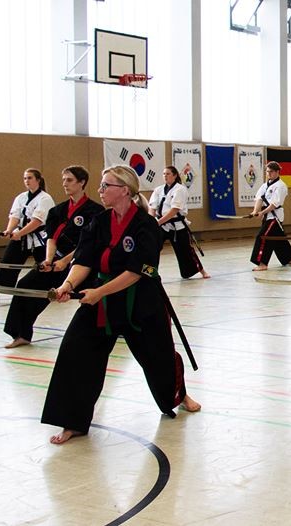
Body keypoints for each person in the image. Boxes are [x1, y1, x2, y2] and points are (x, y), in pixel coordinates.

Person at [41, 165, 200, 445]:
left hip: (141, 299)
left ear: (125, 190)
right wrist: (67, 285)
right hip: (100, 298)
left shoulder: (146, 225)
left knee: (159, 359)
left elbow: (137, 271)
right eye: (101, 185)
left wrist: (99, 292)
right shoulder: (99, 222)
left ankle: (178, 395)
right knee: (75, 351)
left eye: (106, 186)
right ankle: (73, 421)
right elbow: (84, 260)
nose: (100, 190)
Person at [2, 166, 105, 349]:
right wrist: (49, 260)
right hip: (57, 261)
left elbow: (87, 244)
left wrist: (65, 261)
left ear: (82, 183)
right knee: (25, 286)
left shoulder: (95, 211)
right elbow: (51, 238)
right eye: (63, 180)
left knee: (96, 296)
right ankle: (21, 334)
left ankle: (112, 329)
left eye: (69, 180)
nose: (65, 184)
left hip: (82, 264)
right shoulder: (58, 210)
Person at [0, 168, 55, 306]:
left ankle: (53, 291)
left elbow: (37, 221)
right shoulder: (21, 197)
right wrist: (9, 230)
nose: (26, 181)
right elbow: (15, 216)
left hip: (40, 237)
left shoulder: (45, 198)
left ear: (38, 180)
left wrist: (19, 233)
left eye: (29, 178)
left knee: (46, 266)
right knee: (7, 264)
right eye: (25, 178)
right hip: (21, 236)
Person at [148, 166, 210, 279]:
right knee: (151, 247)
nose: (165, 176)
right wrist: (151, 222)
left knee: (186, 251)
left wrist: (159, 222)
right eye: (164, 174)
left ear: (175, 175)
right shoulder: (158, 190)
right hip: (161, 225)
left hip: (177, 226)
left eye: (168, 174)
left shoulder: (180, 189)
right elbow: (152, 207)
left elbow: (174, 210)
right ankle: (149, 272)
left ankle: (202, 271)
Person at [249, 161, 291, 271]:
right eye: (267, 172)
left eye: (271, 172)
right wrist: (255, 211)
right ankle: (290, 259)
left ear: (277, 172)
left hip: (274, 217)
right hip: (267, 217)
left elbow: (274, 204)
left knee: (263, 237)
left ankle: (262, 263)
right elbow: (259, 199)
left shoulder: (280, 186)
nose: (268, 174)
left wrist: (262, 212)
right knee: (278, 238)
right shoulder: (265, 185)